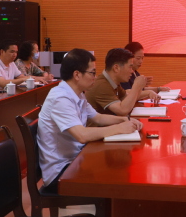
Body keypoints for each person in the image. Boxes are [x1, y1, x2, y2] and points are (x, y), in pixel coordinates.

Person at [37, 48, 143, 191]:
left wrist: (124, 120)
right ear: (77, 75)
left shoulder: (78, 93)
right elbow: (82, 135)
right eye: (92, 73)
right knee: (116, 176)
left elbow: (98, 118)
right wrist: (119, 128)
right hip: (61, 171)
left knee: (119, 170)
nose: (95, 77)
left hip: (76, 158)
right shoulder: (60, 98)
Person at [86, 48, 160, 115]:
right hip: (101, 126)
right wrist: (136, 86)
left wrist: (147, 92)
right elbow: (122, 110)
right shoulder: (102, 85)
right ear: (116, 68)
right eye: (130, 67)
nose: (132, 71)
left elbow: (126, 97)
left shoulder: (112, 82)